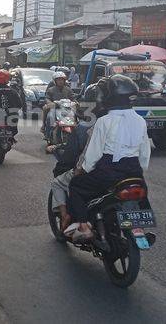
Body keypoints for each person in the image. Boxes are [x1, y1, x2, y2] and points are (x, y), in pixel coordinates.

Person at [65, 75, 151, 242]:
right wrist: (140, 170)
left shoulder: (104, 121)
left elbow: (93, 154)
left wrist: (81, 170)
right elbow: (145, 153)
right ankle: (137, 226)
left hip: (108, 171)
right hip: (133, 170)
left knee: (76, 185)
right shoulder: (140, 120)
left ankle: (83, 227)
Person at [49, 78, 109, 231]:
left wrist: (63, 166)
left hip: (94, 172)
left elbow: (74, 157)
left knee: (60, 181)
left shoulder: (84, 128)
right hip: (121, 172)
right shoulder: (120, 123)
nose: (61, 81)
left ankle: (67, 217)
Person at [42, 71, 75, 135]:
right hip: (55, 107)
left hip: (66, 108)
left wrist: (75, 102)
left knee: (75, 116)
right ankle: (45, 129)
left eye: (62, 79)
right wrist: (50, 103)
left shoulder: (68, 89)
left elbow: (73, 98)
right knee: (49, 116)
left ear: (64, 80)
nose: (60, 81)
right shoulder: (50, 90)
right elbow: (47, 98)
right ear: (55, 81)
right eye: (58, 79)